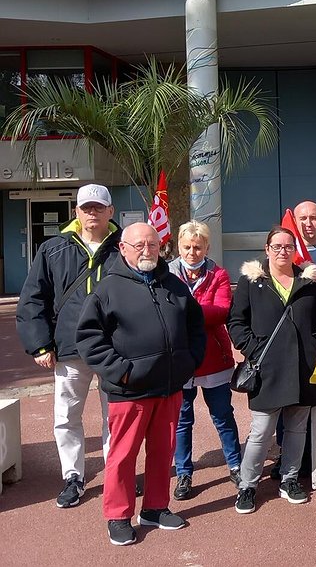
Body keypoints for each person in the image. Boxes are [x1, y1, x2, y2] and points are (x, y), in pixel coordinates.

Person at [76, 223, 206, 546]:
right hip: (129, 390)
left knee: (163, 452)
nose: (147, 250)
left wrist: (190, 362)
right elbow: (89, 339)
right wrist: (121, 372)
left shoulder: (174, 285)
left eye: (152, 244)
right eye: (139, 245)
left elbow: (196, 326)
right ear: (123, 249)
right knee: (123, 455)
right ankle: (118, 515)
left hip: (169, 388)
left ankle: (155, 507)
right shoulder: (108, 289)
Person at [16, 183, 123, 509]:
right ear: (76, 212)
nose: (92, 213)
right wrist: (39, 345)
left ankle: (116, 475)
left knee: (116, 417)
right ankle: (73, 477)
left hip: (115, 348)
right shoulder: (53, 249)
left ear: (110, 212)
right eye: (86, 208)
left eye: (98, 207)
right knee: (66, 416)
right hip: (69, 347)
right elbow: (33, 299)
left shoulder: (126, 246)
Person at [227, 226, 316, 513]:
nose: (282, 252)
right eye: (276, 247)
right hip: (268, 370)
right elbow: (236, 322)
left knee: (297, 428)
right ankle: (247, 486)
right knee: (261, 430)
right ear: (266, 249)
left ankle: (289, 479)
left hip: (304, 368)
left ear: (294, 250)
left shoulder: (308, 281)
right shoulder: (251, 282)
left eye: (288, 247)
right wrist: (253, 348)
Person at [168, 221, 241, 501]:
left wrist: (184, 312)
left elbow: (221, 311)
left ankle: (235, 464)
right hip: (180, 357)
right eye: (186, 247)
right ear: (179, 247)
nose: (192, 252)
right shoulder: (168, 274)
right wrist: (198, 313)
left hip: (213, 355)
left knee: (222, 414)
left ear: (207, 248)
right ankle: (184, 471)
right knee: (182, 419)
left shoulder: (218, 274)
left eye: (198, 247)